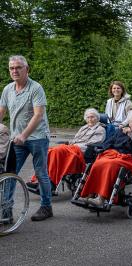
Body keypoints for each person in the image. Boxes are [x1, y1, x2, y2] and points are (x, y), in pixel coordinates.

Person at [0, 55, 53, 221]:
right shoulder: (8, 89)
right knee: (10, 172)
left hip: (37, 138)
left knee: (40, 172)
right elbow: (1, 112)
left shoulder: (36, 88)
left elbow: (38, 115)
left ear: (26, 69)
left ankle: (46, 207)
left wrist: (24, 135)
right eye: (11, 68)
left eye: (18, 67)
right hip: (17, 139)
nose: (14, 70)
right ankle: (6, 212)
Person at [78, 109, 132, 207]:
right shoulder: (121, 130)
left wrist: (131, 136)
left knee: (109, 165)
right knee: (97, 163)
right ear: (128, 122)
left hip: (130, 158)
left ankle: (101, 198)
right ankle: (90, 195)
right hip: (113, 155)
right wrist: (100, 149)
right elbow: (110, 142)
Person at [27, 108, 105, 190]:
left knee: (57, 151)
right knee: (49, 151)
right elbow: (75, 139)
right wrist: (70, 144)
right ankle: (38, 179)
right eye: (88, 117)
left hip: (80, 150)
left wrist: (74, 146)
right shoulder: (84, 128)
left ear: (97, 118)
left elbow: (93, 143)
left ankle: (51, 183)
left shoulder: (100, 129)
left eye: (92, 117)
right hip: (72, 147)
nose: (90, 119)